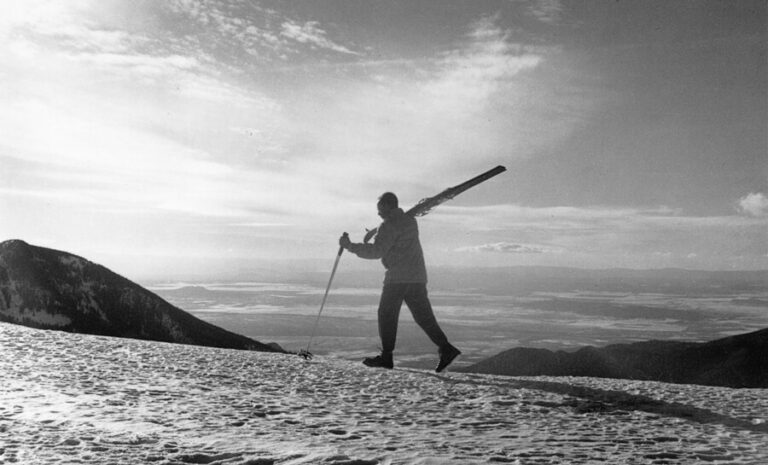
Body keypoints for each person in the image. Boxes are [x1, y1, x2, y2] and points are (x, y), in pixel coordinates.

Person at [339, 192, 461, 373]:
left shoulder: (389, 226)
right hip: (417, 277)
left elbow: (376, 251)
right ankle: (446, 348)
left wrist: (350, 246)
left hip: (397, 279)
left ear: (388, 207)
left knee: (386, 314)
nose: (379, 213)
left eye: (380, 209)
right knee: (423, 317)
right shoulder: (410, 221)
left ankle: (386, 357)